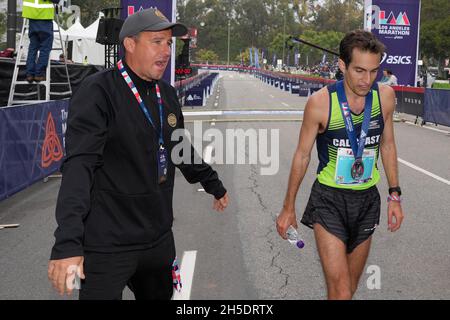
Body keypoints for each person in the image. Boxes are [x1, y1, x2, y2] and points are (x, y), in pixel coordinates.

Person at [48, 8, 229, 300]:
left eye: (169, 43)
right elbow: (79, 167)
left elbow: (180, 150)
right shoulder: (98, 92)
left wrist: (213, 184)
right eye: (156, 41)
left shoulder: (167, 95)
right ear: (130, 44)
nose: (166, 50)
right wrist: (68, 243)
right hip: (107, 245)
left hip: (157, 242)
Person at [276, 30, 404, 300]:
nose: (366, 79)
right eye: (359, 70)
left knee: (347, 290)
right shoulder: (320, 103)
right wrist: (288, 207)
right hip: (329, 200)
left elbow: (388, 145)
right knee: (342, 291)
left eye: (373, 71)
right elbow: (302, 155)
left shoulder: (385, 98)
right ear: (342, 65)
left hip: (367, 201)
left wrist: (395, 195)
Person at [22, 0, 60, 83]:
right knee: (45, 48)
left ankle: (30, 74)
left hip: (32, 18)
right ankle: (39, 74)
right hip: (44, 18)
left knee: (33, 47)